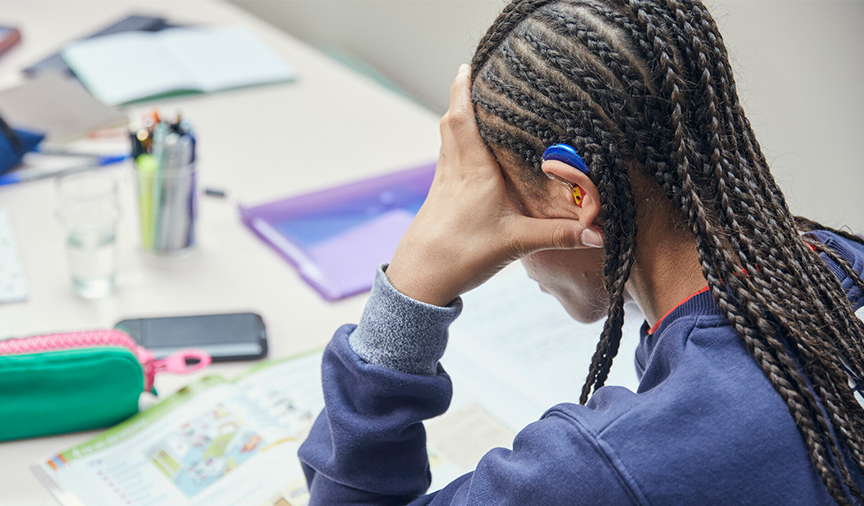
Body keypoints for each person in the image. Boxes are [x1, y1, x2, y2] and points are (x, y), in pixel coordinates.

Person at [298, 0, 864, 504]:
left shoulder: (600, 469)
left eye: (498, 198)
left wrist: (413, 284)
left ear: (578, 197)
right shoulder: (831, 265)